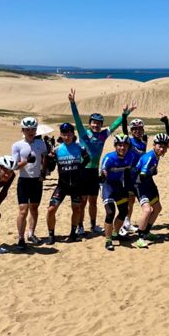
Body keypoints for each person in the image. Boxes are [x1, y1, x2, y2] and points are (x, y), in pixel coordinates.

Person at [68, 88, 134, 235]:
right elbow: (77, 119)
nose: (96, 125)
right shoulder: (84, 133)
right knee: (83, 201)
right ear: (90, 123)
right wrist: (72, 103)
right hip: (83, 170)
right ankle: (80, 226)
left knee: (93, 201)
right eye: (93, 123)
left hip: (95, 172)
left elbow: (115, 125)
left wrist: (126, 113)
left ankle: (93, 226)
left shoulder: (103, 135)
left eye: (98, 123)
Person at [46, 122, 90, 245]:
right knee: (51, 209)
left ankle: (73, 233)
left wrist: (81, 168)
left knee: (76, 209)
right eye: (64, 134)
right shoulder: (57, 149)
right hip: (62, 185)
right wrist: (50, 160)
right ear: (61, 135)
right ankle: (51, 235)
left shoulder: (80, 147)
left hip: (76, 185)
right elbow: (51, 167)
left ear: (73, 134)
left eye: (69, 134)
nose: (67, 137)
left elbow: (87, 159)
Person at [11, 117, 48, 250]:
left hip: (37, 180)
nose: (30, 132)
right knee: (23, 210)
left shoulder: (41, 143)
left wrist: (43, 173)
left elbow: (45, 158)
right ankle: (21, 238)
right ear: (22, 130)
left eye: (33, 129)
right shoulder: (17, 145)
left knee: (34, 208)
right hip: (24, 180)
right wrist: (27, 161)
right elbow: (14, 166)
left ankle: (31, 233)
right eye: (27, 130)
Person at [132, 133, 169, 248]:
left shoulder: (156, 155)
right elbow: (143, 174)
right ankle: (140, 238)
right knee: (147, 210)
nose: (162, 149)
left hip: (149, 183)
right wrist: (150, 172)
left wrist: (152, 172)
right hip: (139, 184)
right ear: (154, 145)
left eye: (164, 147)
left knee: (157, 208)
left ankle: (146, 232)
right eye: (160, 146)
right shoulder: (150, 157)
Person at [100, 134, 137, 251]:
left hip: (118, 185)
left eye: (125, 145)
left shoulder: (130, 156)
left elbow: (128, 172)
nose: (122, 148)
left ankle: (115, 234)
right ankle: (108, 240)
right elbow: (103, 171)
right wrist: (103, 173)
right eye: (120, 145)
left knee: (124, 211)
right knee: (110, 213)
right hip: (107, 185)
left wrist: (129, 188)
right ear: (115, 146)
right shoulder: (109, 158)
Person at [120, 115, 146, 234]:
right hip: (128, 174)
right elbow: (124, 131)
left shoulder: (143, 142)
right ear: (131, 130)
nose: (137, 131)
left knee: (132, 200)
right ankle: (124, 223)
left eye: (139, 128)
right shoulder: (129, 141)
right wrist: (124, 116)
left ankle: (127, 222)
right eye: (134, 129)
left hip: (138, 175)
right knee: (128, 200)